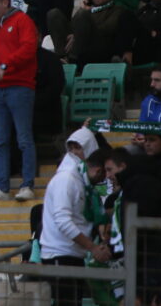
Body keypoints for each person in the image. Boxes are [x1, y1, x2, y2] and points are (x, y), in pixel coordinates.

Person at [0, 0, 39, 202]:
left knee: (23, 138)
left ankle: (27, 184)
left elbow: (29, 48)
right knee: (1, 140)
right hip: (0, 89)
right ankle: (2, 187)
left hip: (20, 87)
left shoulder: (22, 20)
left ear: (5, 2)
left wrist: (5, 65)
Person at [40, 129, 111, 305]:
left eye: (79, 147)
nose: (75, 152)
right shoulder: (67, 179)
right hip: (60, 255)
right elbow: (63, 221)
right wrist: (93, 248)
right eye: (72, 147)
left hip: (73, 255)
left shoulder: (80, 180)